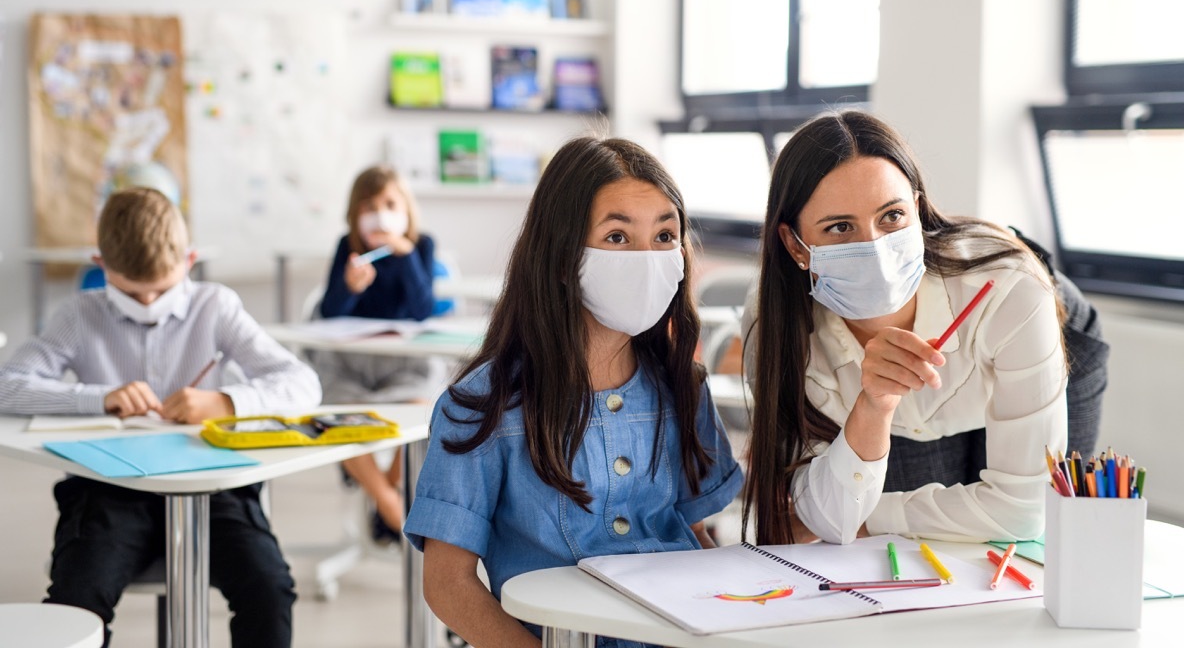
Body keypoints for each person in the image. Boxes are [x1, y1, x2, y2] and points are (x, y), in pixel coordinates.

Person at [404, 136, 744, 648]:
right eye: (616, 237)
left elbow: (689, 530)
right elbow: (447, 585)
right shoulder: (481, 408)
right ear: (563, 259)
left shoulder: (682, 386)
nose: (647, 259)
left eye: (664, 235)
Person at [0, 187, 320, 648]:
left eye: (163, 289)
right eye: (133, 293)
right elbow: (9, 386)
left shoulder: (216, 305)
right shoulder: (79, 313)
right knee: (76, 602)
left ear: (189, 261)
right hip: (107, 489)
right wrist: (100, 398)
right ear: (100, 265)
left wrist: (226, 402)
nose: (149, 303)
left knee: (269, 591)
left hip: (215, 490)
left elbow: (302, 383)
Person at [741, 110, 1068, 548]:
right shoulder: (775, 324)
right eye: (839, 227)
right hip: (903, 414)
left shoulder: (1011, 291)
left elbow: (1025, 511)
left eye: (891, 216)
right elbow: (810, 509)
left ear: (916, 209)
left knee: (1042, 536)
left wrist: (867, 518)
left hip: (1052, 333)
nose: (874, 247)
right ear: (794, 244)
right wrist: (872, 406)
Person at [313, 164, 444, 542]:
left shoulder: (422, 246)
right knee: (337, 420)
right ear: (355, 214)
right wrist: (349, 287)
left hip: (405, 366)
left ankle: (390, 494)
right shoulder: (348, 248)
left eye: (389, 203)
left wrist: (405, 256)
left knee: (421, 413)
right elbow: (329, 312)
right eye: (369, 206)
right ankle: (389, 503)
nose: (380, 213)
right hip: (350, 368)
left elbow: (422, 309)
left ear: (406, 208)